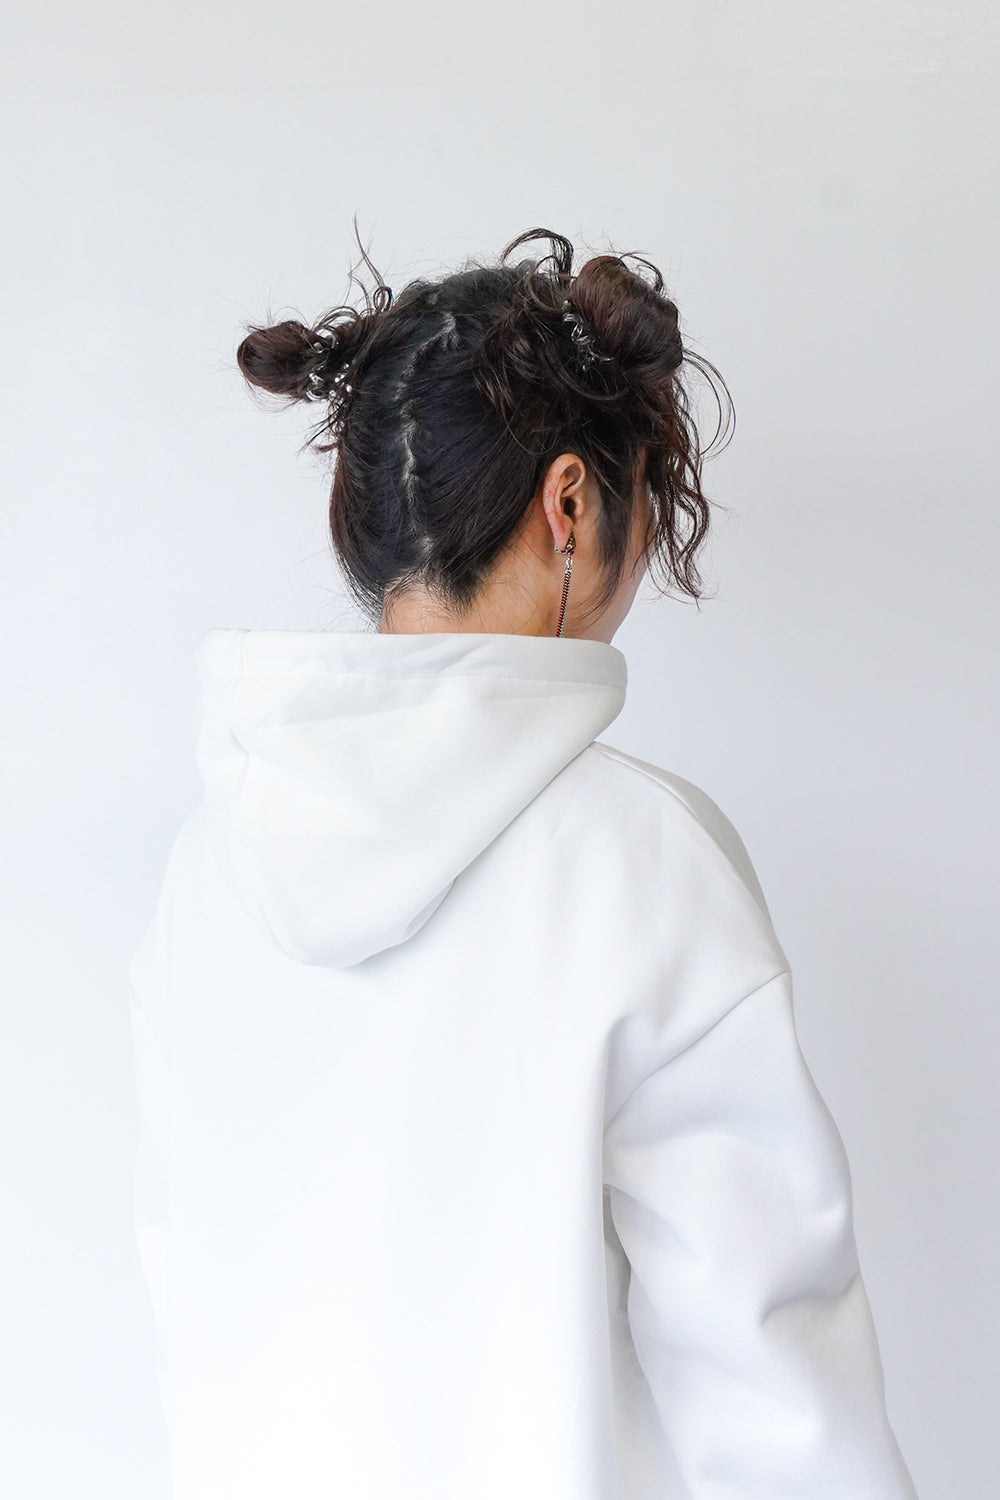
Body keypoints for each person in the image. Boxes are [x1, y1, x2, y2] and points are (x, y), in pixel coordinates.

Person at [128, 226, 921, 1499]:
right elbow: (772, 1389)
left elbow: (193, 1308)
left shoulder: (207, 864)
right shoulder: (640, 859)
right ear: (569, 504)